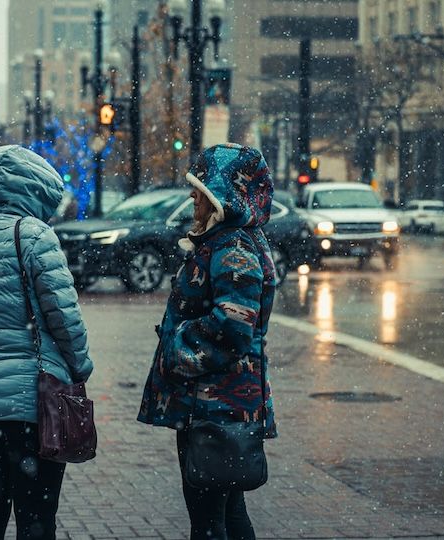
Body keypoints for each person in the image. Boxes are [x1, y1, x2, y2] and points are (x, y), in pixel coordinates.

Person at [0, 145, 93, 539]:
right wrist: (79, 369)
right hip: (27, 404)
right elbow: (64, 317)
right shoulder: (34, 236)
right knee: (35, 516)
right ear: (36, 190)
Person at [137, 143, 277, 540]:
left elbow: (234, 326)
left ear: (223, 195)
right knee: (227, 511)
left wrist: (176, 341)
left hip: (217, 405)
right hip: (219, 405)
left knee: (209, 519)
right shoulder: (227, 241)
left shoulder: (232, 247)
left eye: (200, 188)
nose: (192, 196)